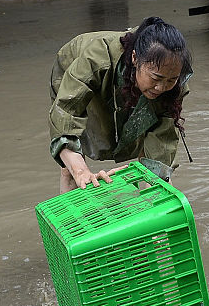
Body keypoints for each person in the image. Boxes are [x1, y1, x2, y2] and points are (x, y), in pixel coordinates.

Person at [48, 16, 192, 192]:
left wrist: (157, 181)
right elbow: (66, 115)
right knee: (72, 164)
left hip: (130, 78)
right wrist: (81, 172)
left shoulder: (174, 83)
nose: (161, 87)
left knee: (155, 168)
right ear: (134, 58)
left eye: (171, 80)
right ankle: (71, 212)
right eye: (156, 78)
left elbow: (161, 145)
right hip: (77, 73)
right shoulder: (96, 59)